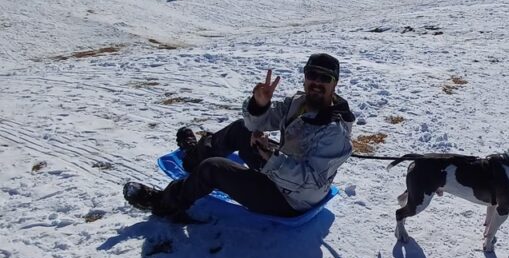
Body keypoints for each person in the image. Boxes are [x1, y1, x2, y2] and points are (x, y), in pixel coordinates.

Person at [123, 53, 355, 219]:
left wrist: (271, 159)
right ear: (305, 77)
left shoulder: (334, 131)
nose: (316, 83)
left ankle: (164, 203)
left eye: (325, 78)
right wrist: (259, 105)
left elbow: (312, 183)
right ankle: (191, 158)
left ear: (335, 84)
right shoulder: (298, 103)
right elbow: (255, 122)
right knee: (240, 129)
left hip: (292, 198)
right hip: (279, 171)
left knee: (212, 168)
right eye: (312, 75)